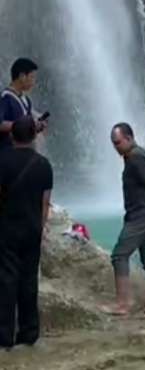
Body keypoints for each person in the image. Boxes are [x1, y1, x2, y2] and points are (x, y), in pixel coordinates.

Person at [102, 123, 145, 321]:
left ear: (129, 138)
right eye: (113, 144)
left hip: (143, 216)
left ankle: (123, 304)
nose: (115, 147)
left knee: (119, 255)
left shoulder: (136, 158)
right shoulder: (135, 155)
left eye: (118, 142)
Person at [0, 116, 53, 350]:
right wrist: (40, 229)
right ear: (34, 136)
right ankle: (29, 333)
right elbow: (45, 203)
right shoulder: (44, 165)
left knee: (5, 280)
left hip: (6, 228)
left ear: (11, 135)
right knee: (29, 280)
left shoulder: (1, 161)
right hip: (32, 229)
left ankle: (4, 336)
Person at [0, 58, 47, 151]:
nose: (34, 82)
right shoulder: (5, 98)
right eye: (32, 77)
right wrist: (22, 126)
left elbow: (28, 127)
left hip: (23, 153)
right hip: (7, 153)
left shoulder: (26, 100)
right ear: (22, 76)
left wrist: (37, 126)